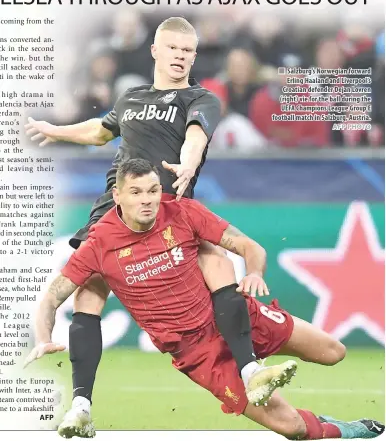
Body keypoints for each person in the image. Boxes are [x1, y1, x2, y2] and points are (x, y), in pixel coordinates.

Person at [25, 16, 278, 426]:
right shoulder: (131, 96)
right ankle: (81, 407)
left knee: (219, 266)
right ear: (156, 51)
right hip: (114, 206)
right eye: (173, 49)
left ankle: (251, 370)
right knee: (89, 295)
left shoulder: (201, 99)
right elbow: (101, 131)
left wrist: (188, 162)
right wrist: (55, 130)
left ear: (194, 56)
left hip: (170, 211)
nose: (180, 57)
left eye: (187, 50)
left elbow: (197, 136)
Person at [25, 159, 384, 440]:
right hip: (197, 353)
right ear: (117, 197)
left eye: (152, 190)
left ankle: (253, 368)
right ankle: (345, 429)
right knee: (292, 428)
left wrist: (255, 272)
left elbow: (248, 246)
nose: (147, 200)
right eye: (136, 193)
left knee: (334, 353)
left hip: (234, 316)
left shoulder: (181, 212)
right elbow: (52, 298)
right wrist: (43, 338)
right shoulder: (99, 244)